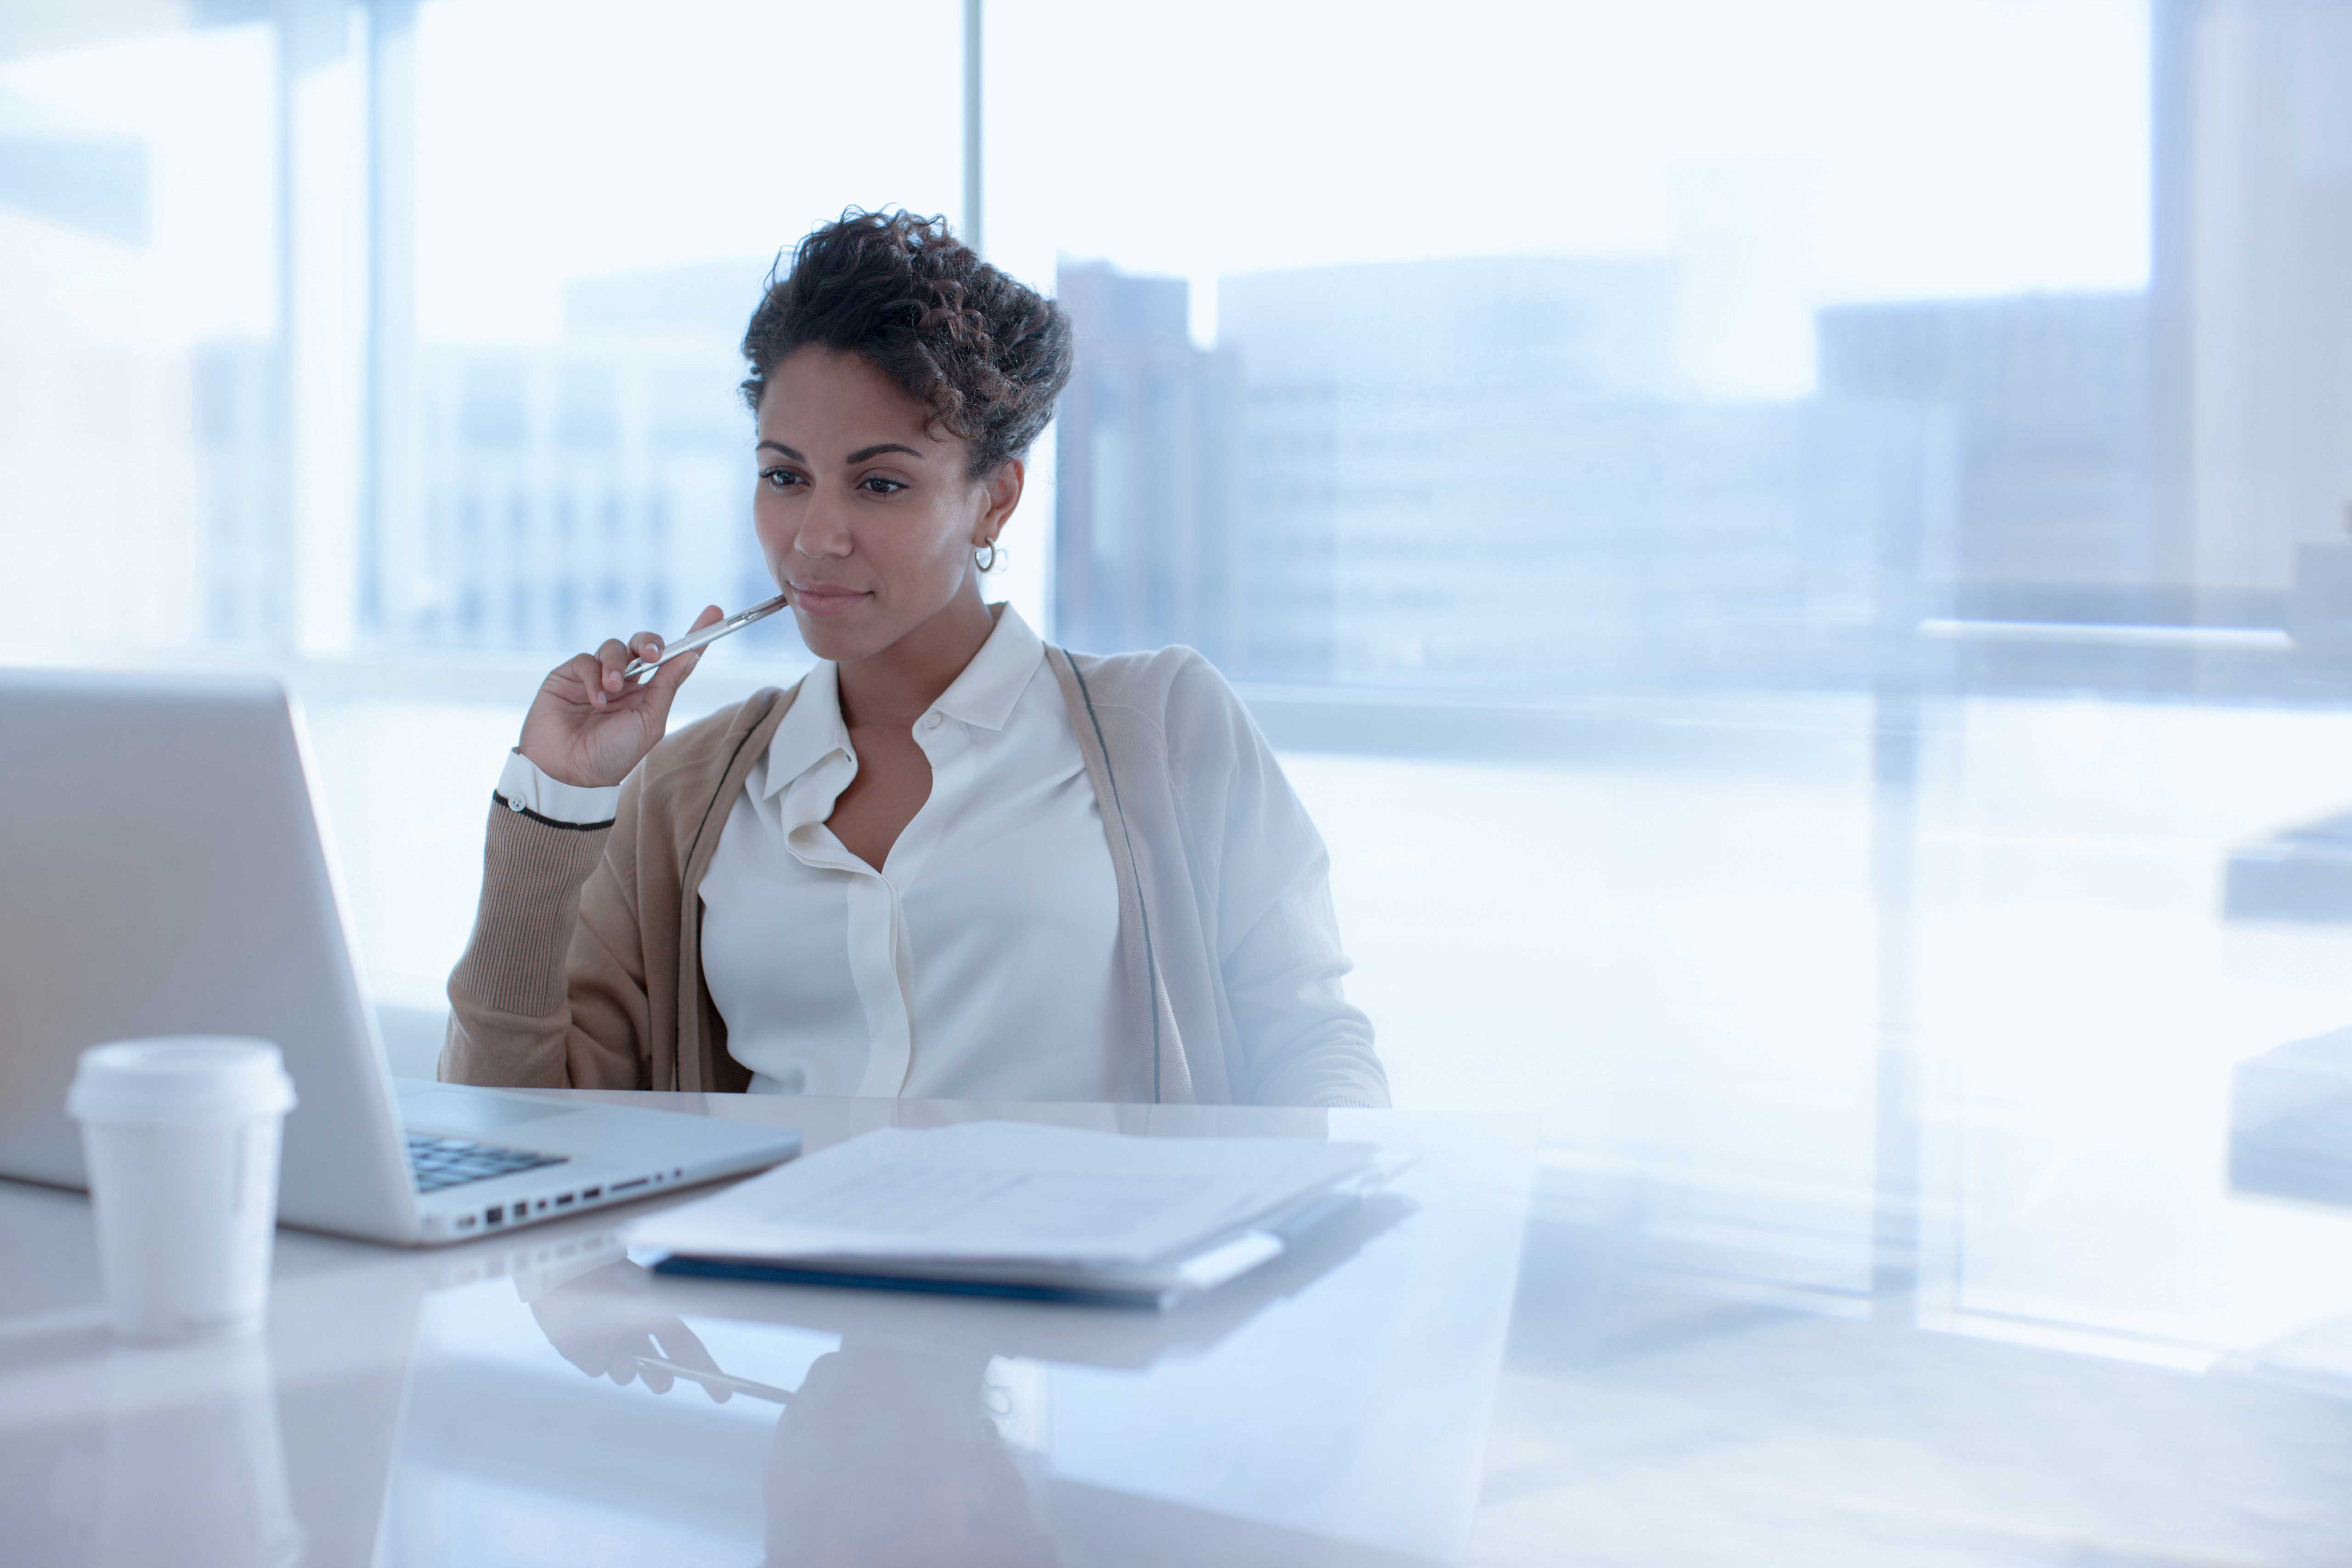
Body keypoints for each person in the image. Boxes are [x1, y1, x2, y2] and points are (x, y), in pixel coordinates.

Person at [438, 208, 1386, 1108]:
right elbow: (515, 1129)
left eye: (880, 483)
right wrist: (556, 798)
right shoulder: (689, 794)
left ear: (994, 500)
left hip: (1077, 1274)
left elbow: (1311, 1050)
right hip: (764, 1280)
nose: (814, 538)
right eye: (784, 476)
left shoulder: (1166, 726)